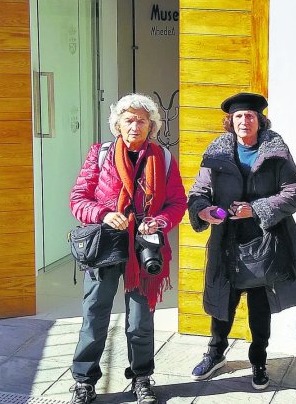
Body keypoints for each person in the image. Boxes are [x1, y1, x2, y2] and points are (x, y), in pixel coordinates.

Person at [186, 92, 296, 390]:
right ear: (230, 121)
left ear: (259, 120)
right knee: (222, 302)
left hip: (263, 240)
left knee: (259, 306)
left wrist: (255, 209)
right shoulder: (216, 153)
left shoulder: (275, 152)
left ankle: (258, 359)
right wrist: (204, 210)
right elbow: (199, 190)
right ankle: (215, 353)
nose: (244, 121)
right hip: (226, 239)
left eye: (250, 116)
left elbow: (294, 191)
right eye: (239, 116)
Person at [68, 94, 188, 404]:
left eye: (142, 121)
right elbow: (79, 199)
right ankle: (84, 380)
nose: (135, 125)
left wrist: (158, 221)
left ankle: (142, 377)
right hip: (105, 245)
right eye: (129, 119)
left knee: (140, 319)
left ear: (152, 126)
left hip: (144, 249)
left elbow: (177, 202)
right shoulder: (100, 154)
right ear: (118, 124)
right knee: (94, 315)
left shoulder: (162, 158)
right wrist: (104, 214)